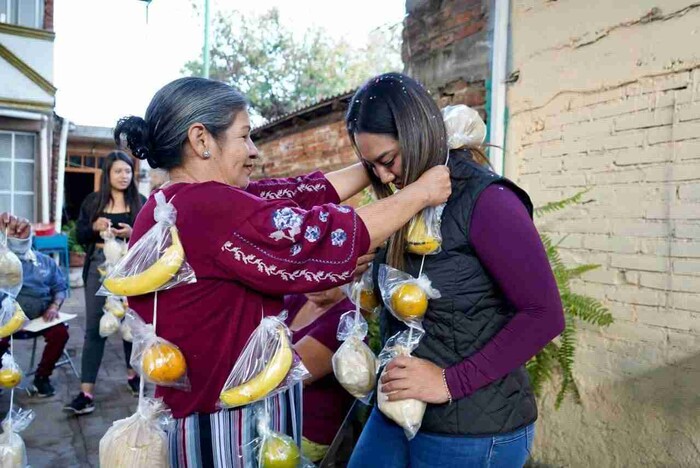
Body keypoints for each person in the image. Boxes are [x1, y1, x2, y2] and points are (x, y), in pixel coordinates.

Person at [115, 76, 451, 467]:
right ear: (201, 139)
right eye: (244, 136)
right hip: (227, 426)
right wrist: (421, 193)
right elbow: (320, 236)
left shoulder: (166, 204)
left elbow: (298, 192)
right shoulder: (206, 206)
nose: (254, 151)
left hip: (199, 414)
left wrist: (376, 162)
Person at [344, 73, 565, 468]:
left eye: (387, 161)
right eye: (370, 166)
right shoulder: (411, 200)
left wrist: (448, 382)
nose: (383, 177)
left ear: (417, 135)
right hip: (397, 410)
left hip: (473, 424)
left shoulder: (489, 201)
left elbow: (544, 315)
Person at [63, 151, 147, 415]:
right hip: (99, 264)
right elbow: (80, 235)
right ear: (107, 174)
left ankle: (133, 375)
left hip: (128, 266)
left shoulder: (139, 201)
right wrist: (95, 226)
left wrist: (133, 233)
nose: (124, 176)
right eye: (118, 171)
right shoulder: (93, 201)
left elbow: (149, 237)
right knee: (94, 327)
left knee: (129, 322)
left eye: (128, 171)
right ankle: (86, 392)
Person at [283, 287, 355, 463]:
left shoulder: (347, 319)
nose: (318, 282)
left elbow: (287, 373)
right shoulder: (299, 298)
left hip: (306, 432)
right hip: (276, 415)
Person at [0, 221, 69, 397]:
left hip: (40, 318)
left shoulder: (46, 262)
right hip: (7, 320)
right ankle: (3, 374)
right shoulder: (3, 264)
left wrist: (54, 306)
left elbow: (60, 287)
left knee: (60, 333)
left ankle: (42, 377)